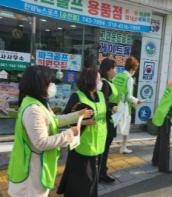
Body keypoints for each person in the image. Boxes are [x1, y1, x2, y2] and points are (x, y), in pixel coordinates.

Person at [7, 66, 92, 197]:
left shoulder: (38, 103)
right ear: (40, 84)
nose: (53, 85)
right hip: (30, 176)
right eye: (50, 82)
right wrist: (69, 134)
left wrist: (78, 115)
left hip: (35, 169)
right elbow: (41, 142)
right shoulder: (33, 109)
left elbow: (53, 120)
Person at [57, 67, 107, 197]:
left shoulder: (101, 95)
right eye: (98, 79)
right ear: (90, 80)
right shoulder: (77, 96)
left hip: (98, 143)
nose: (100, 81)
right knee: (81, 179)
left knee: (92, 178)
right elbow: (65, 119)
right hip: (81, 144)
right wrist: (84, 122)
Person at [113, 56, 143, 154]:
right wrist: (137, 101)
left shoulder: (117, 76)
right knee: (125, 128)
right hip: (124, 106)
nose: (135, 71)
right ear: (132, 69)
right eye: (135, 69)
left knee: (112, 126)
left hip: (114, 104)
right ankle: (123, 147)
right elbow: (129, 96)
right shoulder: (129, 79)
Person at [98, 58, 118, 183]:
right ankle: (101, 173)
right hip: (107, 121)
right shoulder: (104, 83)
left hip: (112, 119)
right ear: (108, 70)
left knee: (105, 147)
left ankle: (101, 171)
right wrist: (112, 107)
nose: (115, 71)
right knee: (104, 148)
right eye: (114, 68)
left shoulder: (109, 82)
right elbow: (104, 102)